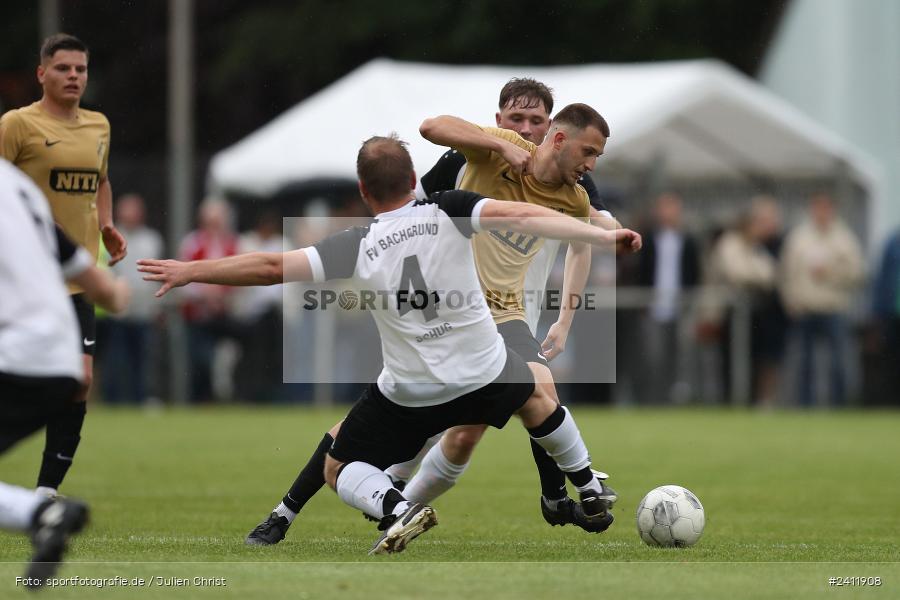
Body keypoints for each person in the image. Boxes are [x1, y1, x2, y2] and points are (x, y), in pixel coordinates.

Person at [139, 135, 640, 554]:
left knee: (338, 466)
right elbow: (524, 217)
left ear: (363, 191)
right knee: (536, 394)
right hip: (482, 372)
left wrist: (192, 271)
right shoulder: (450, 208)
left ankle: (397, 508)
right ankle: (586, 483)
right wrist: (601, 237)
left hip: (410, 393)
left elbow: (271, 268)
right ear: (414, 179)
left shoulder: (355, 243)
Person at [0, 33, 127, 498]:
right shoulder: (17, 124)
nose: (73, 76)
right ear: (42, 74)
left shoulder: (98, 125)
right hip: (23, 283)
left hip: (76, 282)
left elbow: (101, 181)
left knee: (81, 380)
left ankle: (46, 492)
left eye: (80, 69)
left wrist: (106, 223)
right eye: (63, 68)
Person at [0, 159, 129, 587]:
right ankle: (43, 513)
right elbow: (81, 267)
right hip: (58, 356)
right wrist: (114, 294)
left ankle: (40, 510)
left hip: (14, 353)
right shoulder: (19, 187)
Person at [780, 193, 865, 408]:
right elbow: (787, 273)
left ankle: (839, 404)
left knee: (838, 360)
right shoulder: (799, 237)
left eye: (826, 208)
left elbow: (857, 273)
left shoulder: (844, 238)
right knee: (804, 361)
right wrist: (790, 301)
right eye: (818, 208)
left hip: (833, 307)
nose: (822, 213)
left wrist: (831, 273)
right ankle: (804, 405)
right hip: (805, 308)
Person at [635, 192, 701, 404]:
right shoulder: (648, 239)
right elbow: (641, 272)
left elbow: (694, 272)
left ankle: (677, 398)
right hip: (653, 307)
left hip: (680, 306)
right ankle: (653, 398)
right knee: (653, 356)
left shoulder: (688, 240)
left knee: (681, 356)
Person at [99, 194, 163, 404]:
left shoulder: (151, 239)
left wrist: (156, 305)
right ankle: (112, 400)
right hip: (118, 311)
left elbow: (157, 275)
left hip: (143, 312)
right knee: (115, 359)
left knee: (142, 360)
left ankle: (141, 398)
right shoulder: (109, 239)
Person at [178, 199, 239, 402]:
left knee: (227, 357)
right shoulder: (192, 243)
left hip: (223, 314)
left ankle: (224, 397)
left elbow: (241, 276)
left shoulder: (232, 244)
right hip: (197, 315)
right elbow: (182, 277)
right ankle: (200, 400)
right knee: (200, 360)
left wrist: (223, 294)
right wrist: (205, 294)